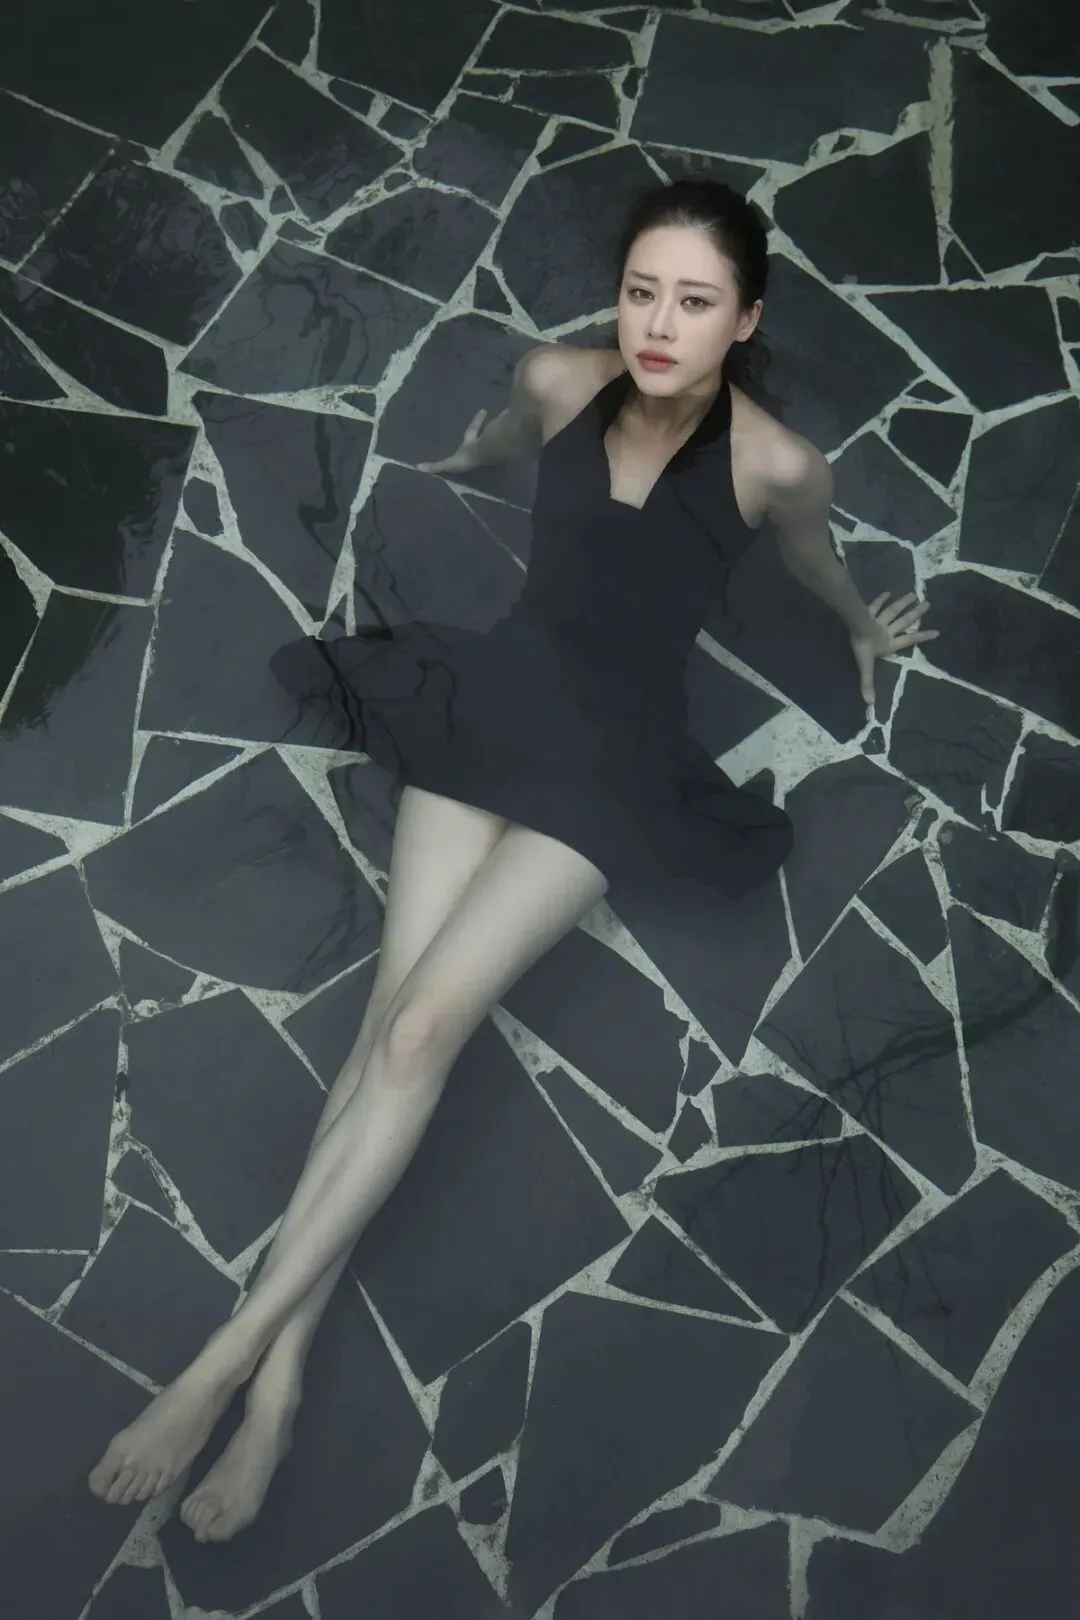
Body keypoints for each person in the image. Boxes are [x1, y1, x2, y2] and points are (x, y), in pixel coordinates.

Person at [88, 180, 937, 1540]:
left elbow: (813, 558)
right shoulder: (559, 376)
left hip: (613, 759)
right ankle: (282, 1384)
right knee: (390, 1023)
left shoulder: (778, 462)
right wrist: (470, 457)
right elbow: (507, 431)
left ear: (745, 319)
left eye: (696, 301)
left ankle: (226, 1363)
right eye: (643, 291)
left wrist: (858, 627)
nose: (659, 324)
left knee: (424, 1026)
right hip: (498, 704)